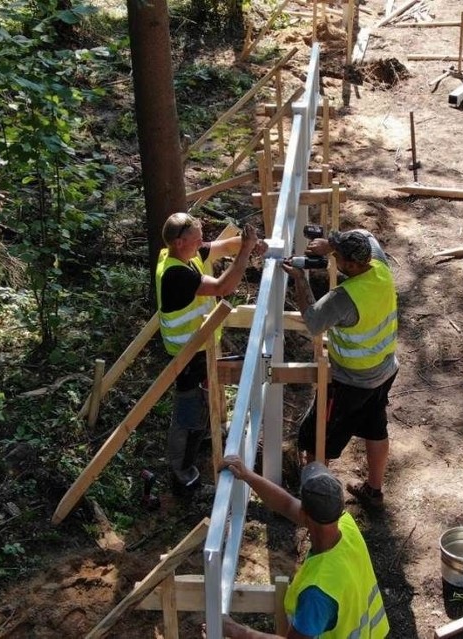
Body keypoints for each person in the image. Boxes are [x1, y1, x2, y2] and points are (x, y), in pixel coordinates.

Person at [282, 230, 398, 507]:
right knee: (375, 428)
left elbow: (313, 321)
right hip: (384, 371)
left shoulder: (344, 297)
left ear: (354, 264)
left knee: (318, 439)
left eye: (339, 259)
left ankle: (316, 502)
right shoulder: (380, 268)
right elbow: (369, 234)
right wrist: (332, 244)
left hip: (351, 382)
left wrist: (299, 278)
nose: (337, 262)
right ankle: (374, 490)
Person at [155, 212, 265, 496]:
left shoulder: (184, 256)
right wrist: (246, 252)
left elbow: (224, 247)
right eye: (197, 236)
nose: (203, 241)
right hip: (187, 354)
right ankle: (183, 478)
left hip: (199, 349)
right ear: (180, 242)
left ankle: (202, 438)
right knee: (188, 413)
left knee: (202, 404)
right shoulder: (176, 274)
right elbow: (223, 288)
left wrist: (251, 242)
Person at [220, 455, 389, 639]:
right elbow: (286, 504)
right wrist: (248, 476)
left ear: (305, 515)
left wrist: (237, 631)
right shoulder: (345, 524)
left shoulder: (317, 594)